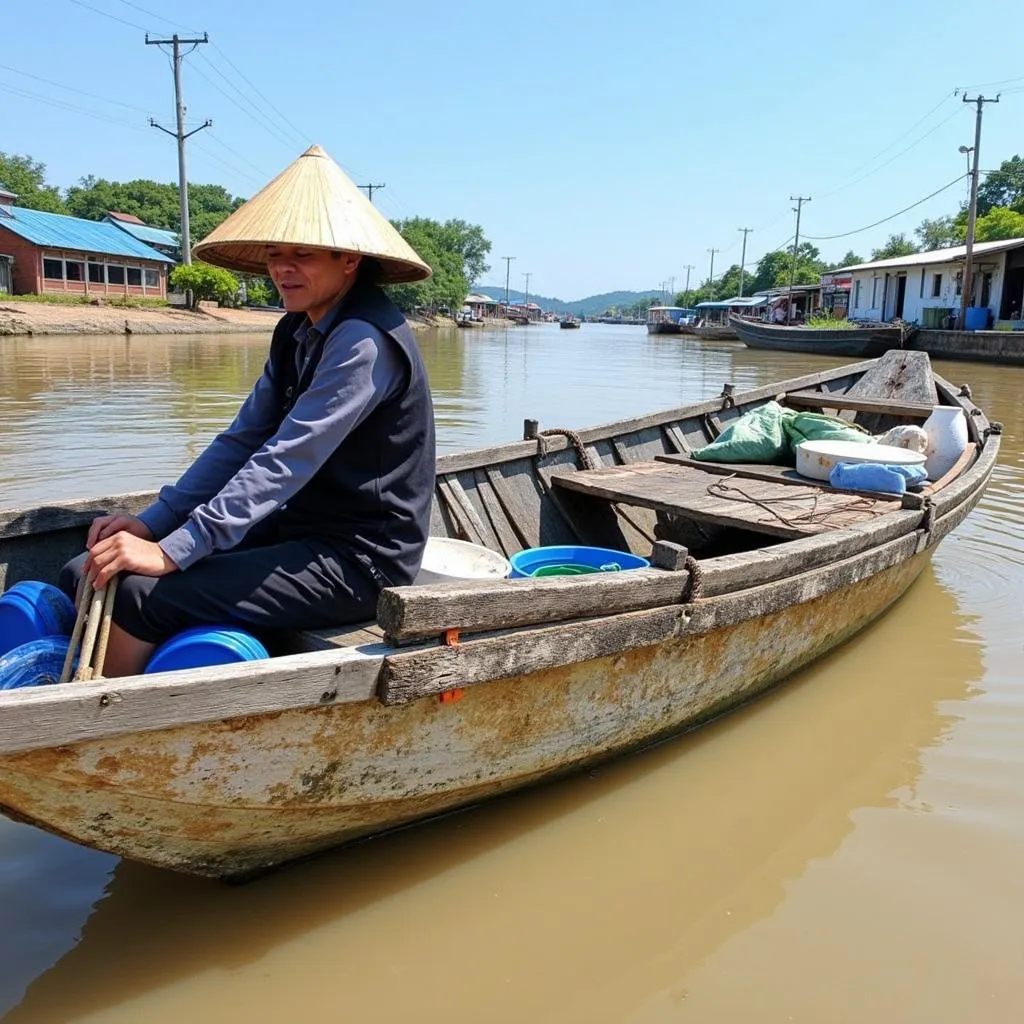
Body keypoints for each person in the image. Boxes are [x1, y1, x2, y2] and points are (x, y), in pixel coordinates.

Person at [60, 145, 436, 677]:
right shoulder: (296, 330)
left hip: (359, 559)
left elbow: (286, 458)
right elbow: (242, 440)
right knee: (86, 568)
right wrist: (153, 524)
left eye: (302, 254)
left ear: (348, 259)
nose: (282, 268)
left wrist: (173, 553)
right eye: (275, 253)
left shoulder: (364, 341)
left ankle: (95, 719)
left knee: (139, 595)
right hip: (294, 528)